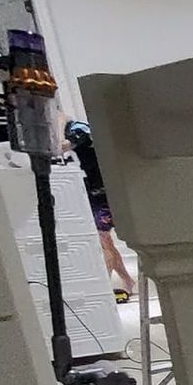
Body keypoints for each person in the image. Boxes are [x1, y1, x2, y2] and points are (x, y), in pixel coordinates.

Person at [60, 115, 138, 302]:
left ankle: (103, 291)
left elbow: (64, 145)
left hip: (106, 194)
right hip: (98, 193)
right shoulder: (77, 129)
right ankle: (127, 281)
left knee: (102, 242)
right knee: (105, 241)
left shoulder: (78, 129)